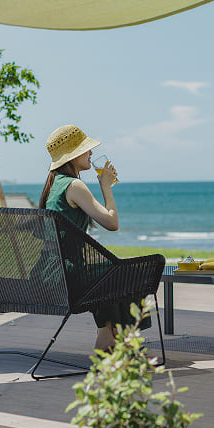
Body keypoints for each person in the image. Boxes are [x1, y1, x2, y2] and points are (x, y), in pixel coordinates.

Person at [37, 124, 141, 352]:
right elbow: (112, 223)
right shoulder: (74, 185)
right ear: (73, 155)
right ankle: (112, 336)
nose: (91, 153)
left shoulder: (53, 184)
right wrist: (106, 187)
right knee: (128, 273)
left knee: (114, 270)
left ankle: (110, 335)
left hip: (49, 272)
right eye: (86, 149)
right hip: (67, 277)